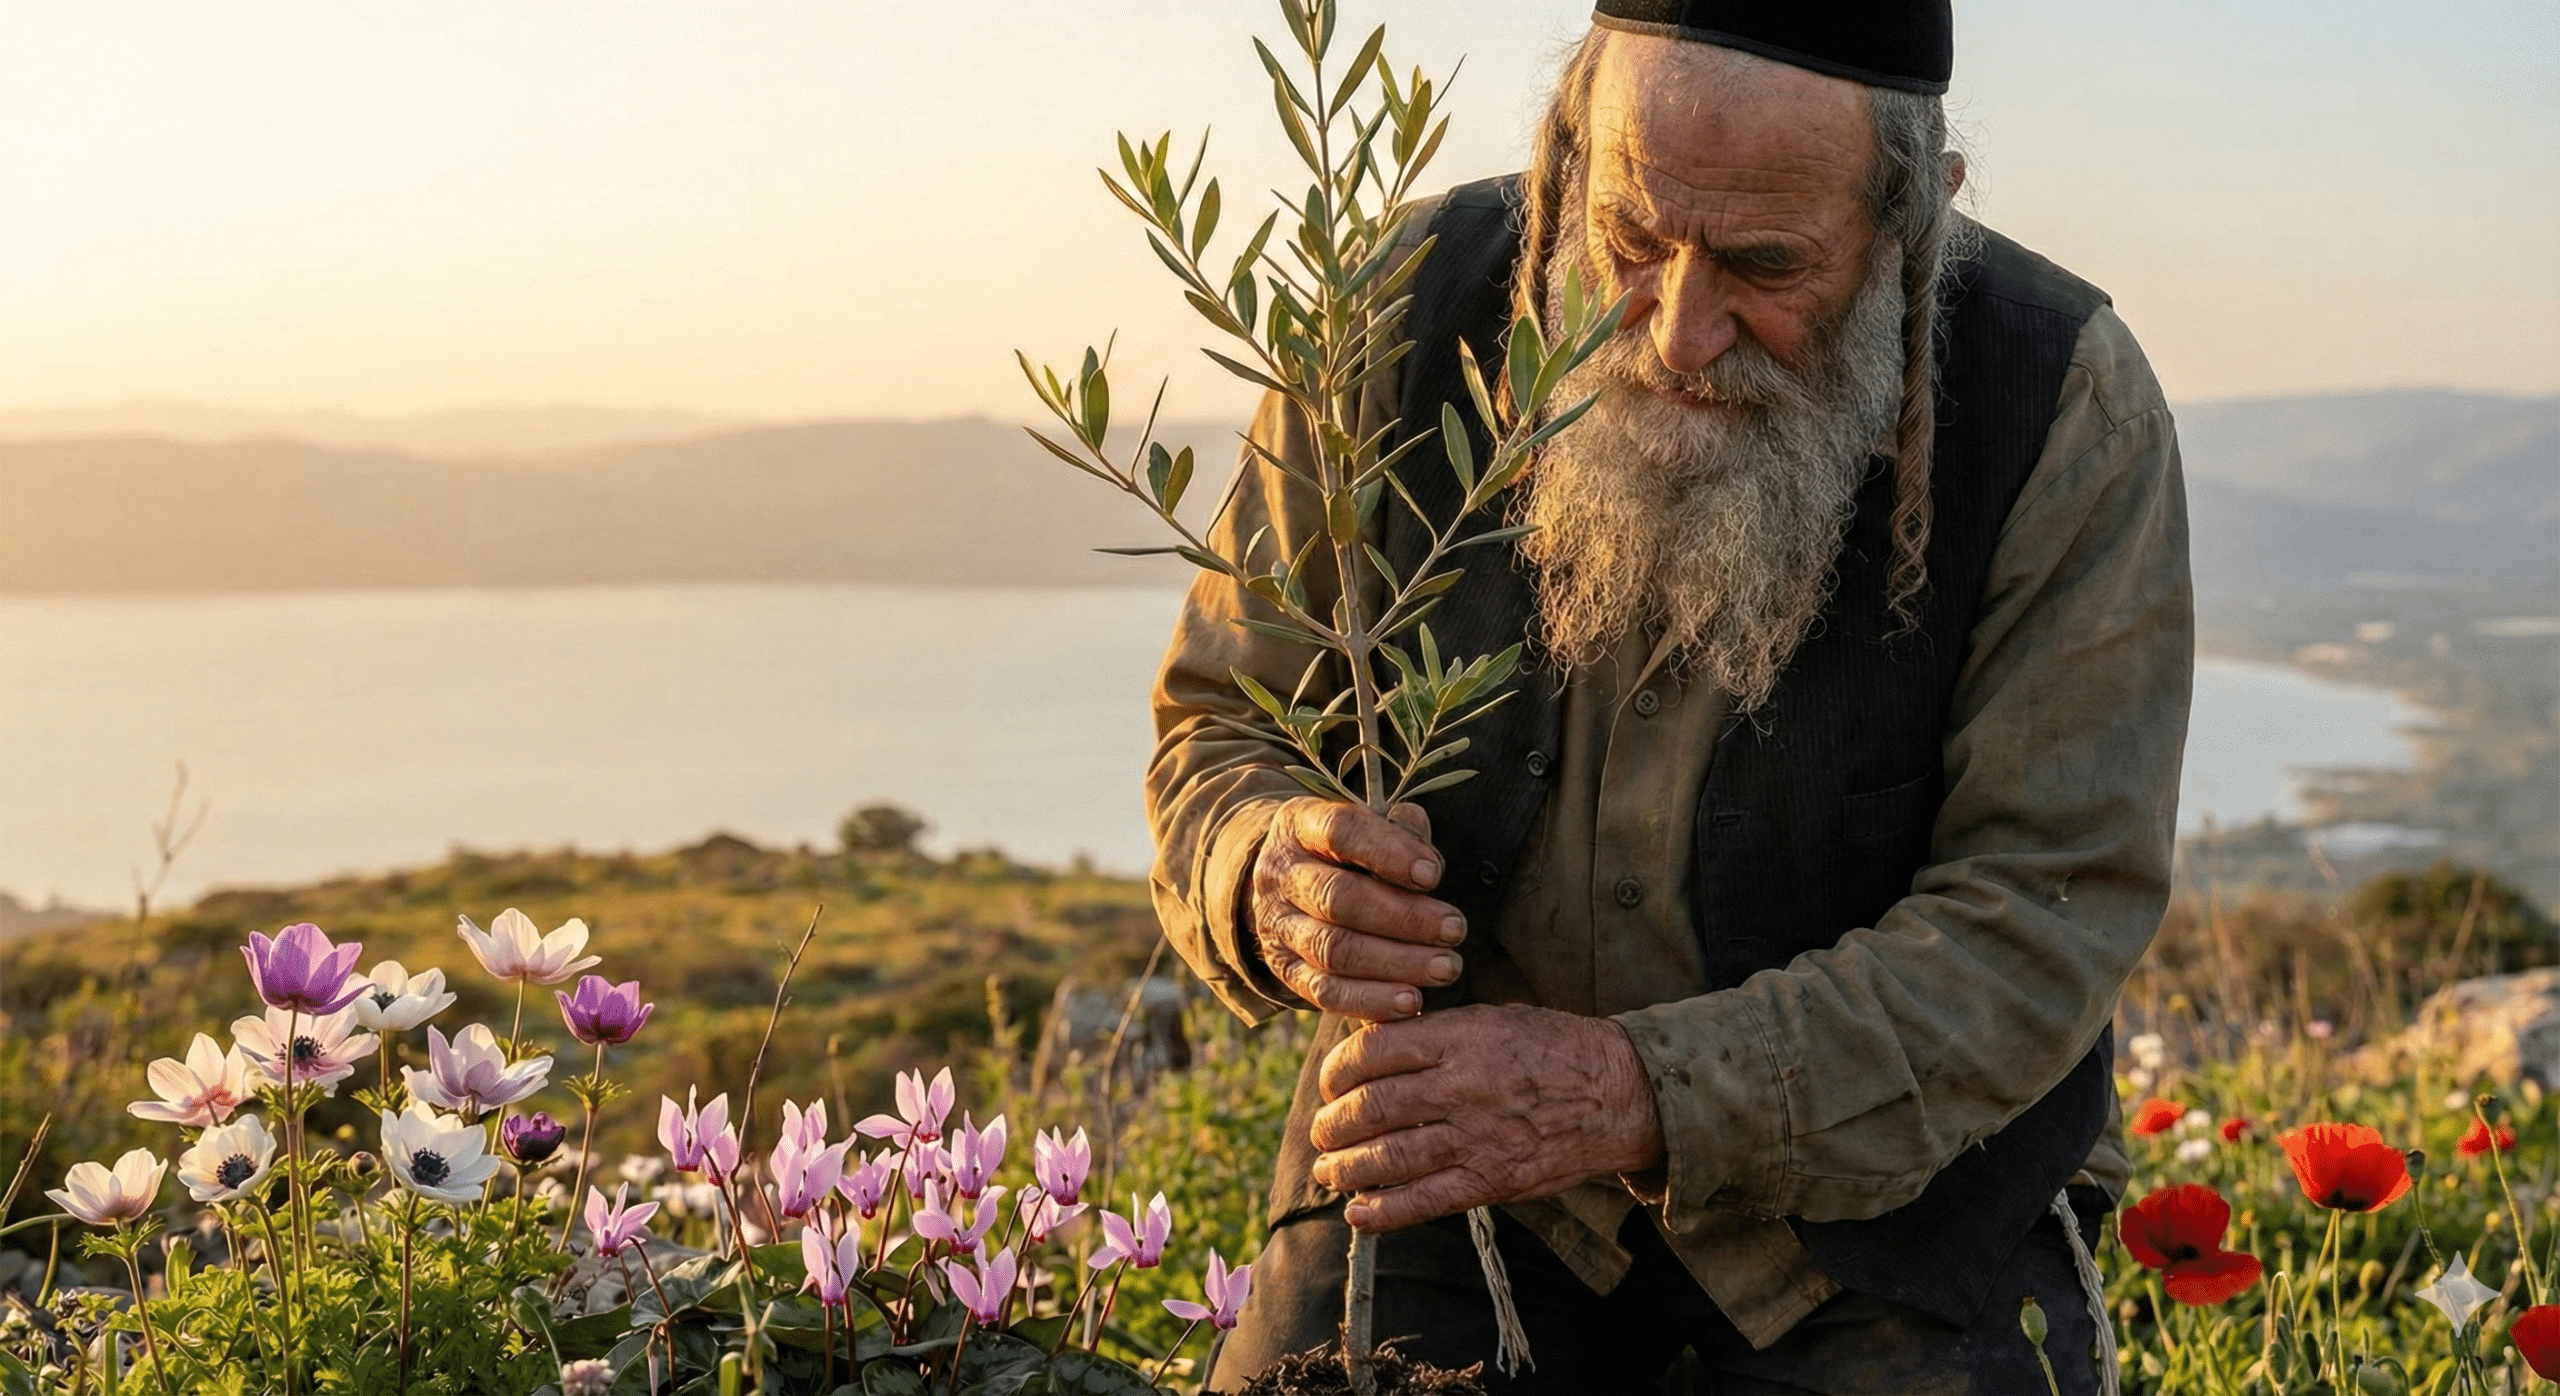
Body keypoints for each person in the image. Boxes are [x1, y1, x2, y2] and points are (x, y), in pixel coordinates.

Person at [1145, 2, 2189, 1390]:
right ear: (1569, 149)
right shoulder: (1395, 313)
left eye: (1765, 265)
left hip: (1891, 1198)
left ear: (1915, 218)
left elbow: (2041, 918)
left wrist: (1639, 1095)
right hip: (1450, 1160)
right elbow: (1225, 723)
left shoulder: (2064, 406)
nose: (1681, 331)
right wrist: (1262, 873)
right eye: (1629, 241)